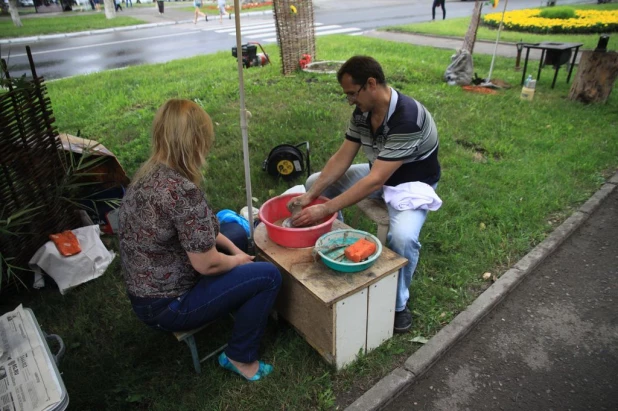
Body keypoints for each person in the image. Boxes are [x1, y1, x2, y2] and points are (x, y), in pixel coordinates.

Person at [118, 99, 281, 381]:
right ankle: (240, 357)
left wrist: (232, 247)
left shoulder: (148, 175)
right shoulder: (182, 191)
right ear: (195, 141)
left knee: (237, 234)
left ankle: (239, 296)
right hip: (169, 306)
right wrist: (238, 261)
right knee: (268, 276)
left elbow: (197, 229)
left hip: (145, 292)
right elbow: (207, 265)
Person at [288, 56, 441, 334]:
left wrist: (324, 209)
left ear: (371, 84)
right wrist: (312, 195)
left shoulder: (408, 118)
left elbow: (375, 181)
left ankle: (398, 304)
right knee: (314, 181)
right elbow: (343, 157)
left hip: (411, 185)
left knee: (403, 237)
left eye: (351, 93)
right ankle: (336, 243)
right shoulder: (363, 112)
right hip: (379, 173)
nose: (349, 101)